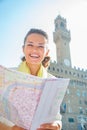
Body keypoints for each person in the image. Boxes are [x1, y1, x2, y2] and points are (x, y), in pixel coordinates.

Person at [0, 28, 62, 130]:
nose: (35, 50)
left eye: (41, 46)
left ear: (47, 52)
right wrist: (10, 128)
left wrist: (57, 125)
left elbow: (57, 118)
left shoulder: (53, 81)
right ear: (23, 49)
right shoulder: (5, 76)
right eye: (30, 44)